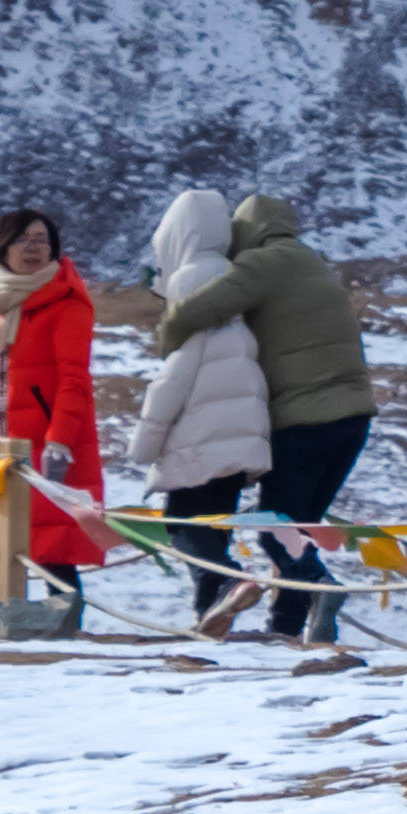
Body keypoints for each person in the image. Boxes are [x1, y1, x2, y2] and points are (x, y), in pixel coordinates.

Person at [150, 192, 371, 643]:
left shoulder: (265, 263)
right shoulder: (312, 262)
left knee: (275, 528)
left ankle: (318, 585)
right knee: (296, 523)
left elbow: (199, 310)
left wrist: (168, 334)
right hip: (354, 418)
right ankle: (287, 627)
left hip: (305, 419)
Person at [132, 187, 281, 639]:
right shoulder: (237, 278)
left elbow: (176, 376)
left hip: (199, 436)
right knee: (212, 528)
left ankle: (232, 581)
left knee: (182, 526)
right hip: (240, 433)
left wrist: (145, 444)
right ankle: (210, 617)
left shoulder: (191, 283)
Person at [0, 207, 103, 638]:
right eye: (23, 239)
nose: (33, 248)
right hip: (6, 450)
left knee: (52, 547)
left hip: (49, 448)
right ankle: (2, 636)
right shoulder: (1, 301)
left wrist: (60, 441)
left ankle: (61, 639)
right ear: (2, 246)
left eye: (42, 240)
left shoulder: (66, 302)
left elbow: (73, 378)